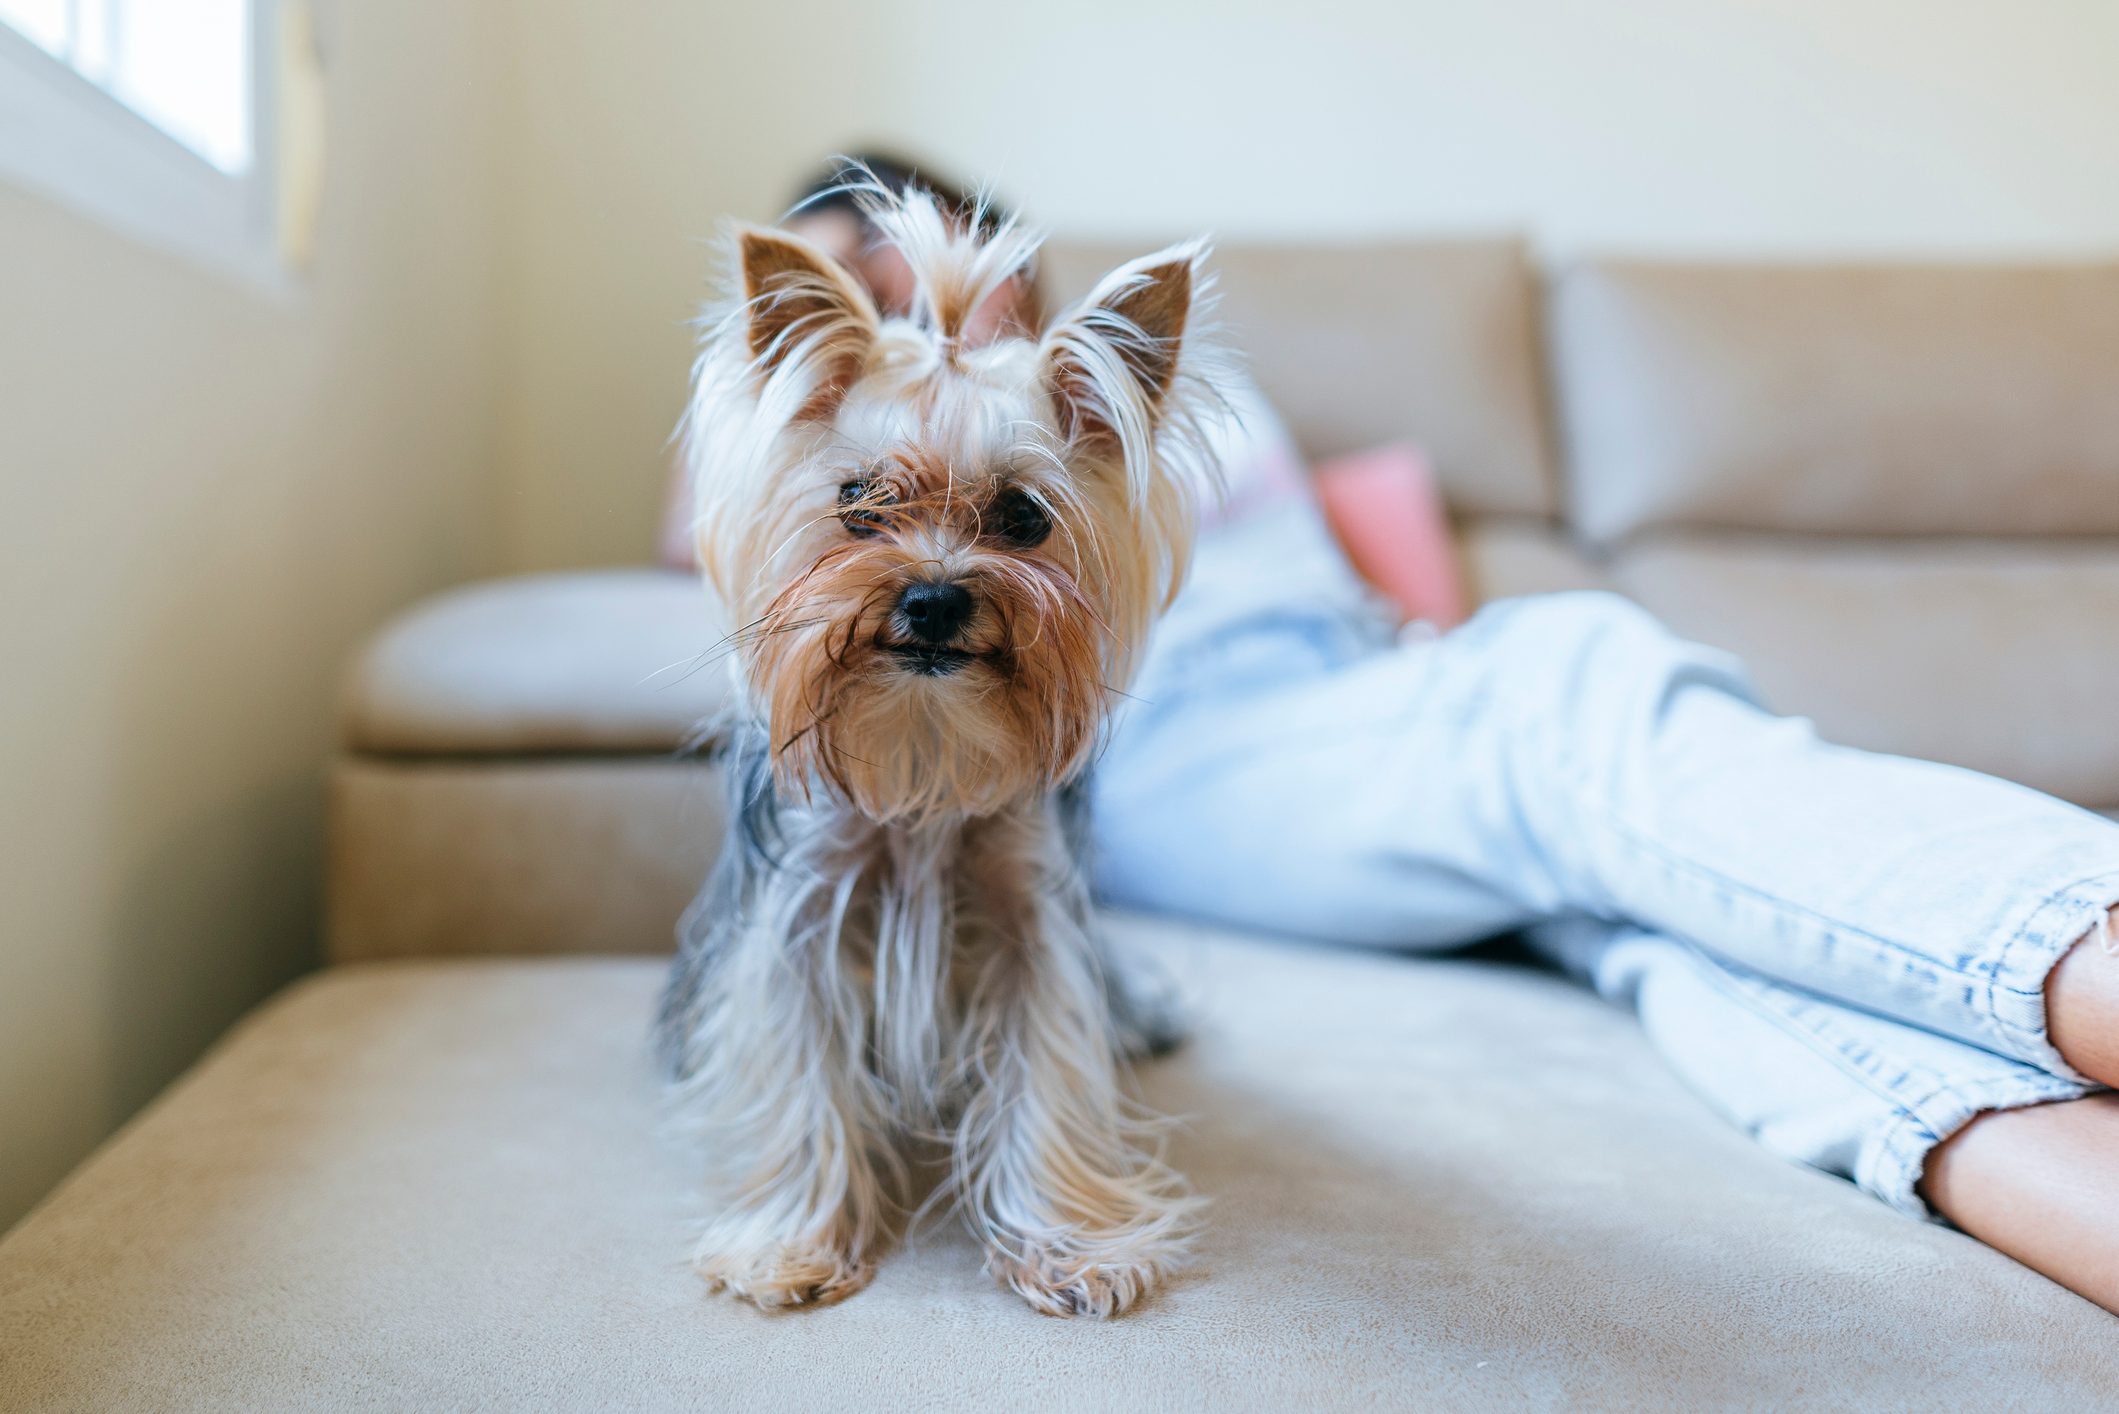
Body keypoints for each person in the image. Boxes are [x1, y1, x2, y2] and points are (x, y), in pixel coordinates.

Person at [665, 154, 2119, 1314]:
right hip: (1185, 739)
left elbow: (1377, 600)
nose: (921, 316)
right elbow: (731, 541)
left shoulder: (1122, 405)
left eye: (953, 274)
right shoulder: (807, 445)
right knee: (1575, 690)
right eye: (875, 289)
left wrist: (1423, 634)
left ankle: (2055, 1184)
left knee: (1652, 919)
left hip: (1373, 689)